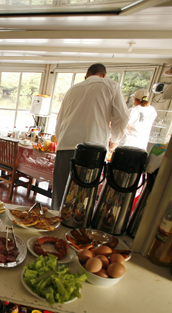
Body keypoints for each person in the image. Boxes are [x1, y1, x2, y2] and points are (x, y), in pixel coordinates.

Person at [51, 63, 129, 210]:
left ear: (86, 76)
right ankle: (75, 228)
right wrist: (114, 140)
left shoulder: (72, 89)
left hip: (65, 145)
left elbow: (59, 121)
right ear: (104, 75)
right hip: (92, 149)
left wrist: (61, 141)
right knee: (82, 196)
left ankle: (54, 225)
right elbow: (122, 116)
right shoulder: (111, 86)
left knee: (60, 194)